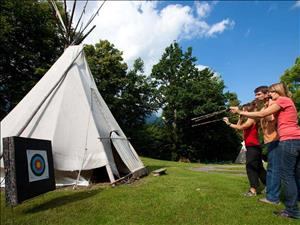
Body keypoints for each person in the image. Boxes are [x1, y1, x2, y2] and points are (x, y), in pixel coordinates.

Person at [230, 82, 300, 219]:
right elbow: (265, 115)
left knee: (286, 175)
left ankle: (289, 208)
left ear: (278, 91)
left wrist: (240, 111)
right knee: (294, 173)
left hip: (288, 139)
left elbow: (264, 114)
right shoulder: (284, 101)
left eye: (271, 92)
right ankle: (292, 203)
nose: (270, 94)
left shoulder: (282, 100)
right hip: (293, 139)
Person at [223, 101, 266, 196]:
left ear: (247, 110)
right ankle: (269, 186)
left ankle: (253, 189)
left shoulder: (252, 119)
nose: (241, 112)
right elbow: (237, 127)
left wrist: (228, 123)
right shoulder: (248, 118)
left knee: (250, 167)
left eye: (243, 110)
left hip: (253, 147)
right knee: (259, 168)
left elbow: (241, 127)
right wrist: (240, 118)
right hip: (252, 146)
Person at [254, 86, 281, 205]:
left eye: (259, 94)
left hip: (277, 139)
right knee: (272, 168)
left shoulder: (273, 104)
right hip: (270, 140)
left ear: (267, 94)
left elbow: (271, 118)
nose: (256, 97)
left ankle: (273, 198)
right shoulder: (265, 106)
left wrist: (261, 113)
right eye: (256, 95)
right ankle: (271, 193)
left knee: (274, 169)